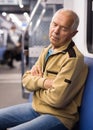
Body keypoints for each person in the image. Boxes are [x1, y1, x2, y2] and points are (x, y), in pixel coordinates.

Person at [0, 9, 88, 130]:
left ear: (73, 33)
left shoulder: (73, 59)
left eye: (64, 29)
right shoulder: (47, 50)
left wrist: (36, 86)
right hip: (37, 108)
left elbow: (57, 100)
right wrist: (44, 82)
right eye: (54, 24)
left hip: (59, 116)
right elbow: (26, 81)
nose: (56, 31)